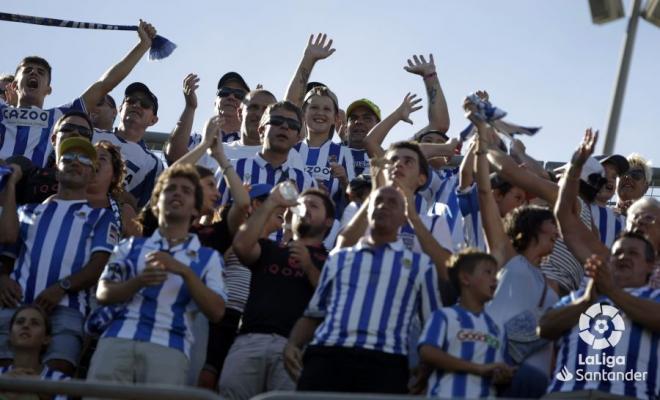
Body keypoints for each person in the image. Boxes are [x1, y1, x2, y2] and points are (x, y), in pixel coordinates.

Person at [284, 185, 443, 394]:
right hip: (327, 355)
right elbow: (314, 312)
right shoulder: (339, 258)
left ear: (404, 219)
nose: (383, 206)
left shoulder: (420, 265)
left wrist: (428, 367)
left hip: (386, 362)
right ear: (366, 212)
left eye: (392, 202)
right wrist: (293, 344)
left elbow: (431, 323)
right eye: (377, 201)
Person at [541, 129, 659, 399]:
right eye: (634, 218)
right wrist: (576, 167)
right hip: (569, 390)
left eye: (650, 219)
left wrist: (612, 292)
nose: (639, 221)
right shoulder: (607, 260)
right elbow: (565, 218)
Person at [87, 164, 226, 386]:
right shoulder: (129, 247)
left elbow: (217, 311)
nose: (177, 193)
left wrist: (184, 272)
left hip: (170, 348)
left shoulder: (209, 258)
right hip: (117, 341)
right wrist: (138, 282)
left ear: (195, 208)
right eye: (170, 189)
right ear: (156, 203)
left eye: (186, 190)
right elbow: (103, 292)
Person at [0, 137, 119, 376]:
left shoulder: (103, 217)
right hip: (16, 303)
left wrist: (62, 287)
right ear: (56, 170)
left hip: (68, 308)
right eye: (68, 158)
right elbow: (6, 242)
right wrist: (11, 184)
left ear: (91, 173)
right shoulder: (27, 211)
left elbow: (98, 266)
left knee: (58, 373)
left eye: (84, 159)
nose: (75, 162)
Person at [218, 184, 333, 400]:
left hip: (296, 348)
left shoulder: (331, 261)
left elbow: (331, 301)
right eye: (301, 205)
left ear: (329, 221)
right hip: (249, 339)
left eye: (314, 205)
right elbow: (242, 246)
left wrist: (309, 267)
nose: (305, 208)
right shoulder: (271, 248)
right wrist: (271, 202)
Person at [473, 116, 560, 397]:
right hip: (497, 367)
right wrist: (481, 147)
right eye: (550, 223)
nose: (557, 231)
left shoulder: (553, 285)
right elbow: (485, 194)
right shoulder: (505, 254)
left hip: (539, 381)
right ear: (532, 226)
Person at [1, 20, 157, 168]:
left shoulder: (61, 117)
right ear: (14, 85)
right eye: (27, 71)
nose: (34, 72)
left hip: (34, 192)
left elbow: (104, 84)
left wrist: (142, 46)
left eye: (40, 72)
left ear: (48, 89)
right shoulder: (2, 110)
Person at [418, 249, 514, 398]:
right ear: (465, 278)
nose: (495, 279)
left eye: (495, 274)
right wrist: (478, 368)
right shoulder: (444, 316)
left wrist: (503, 376)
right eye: (488, 272)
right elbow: (427, 352)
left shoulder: (498, 327)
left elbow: (502, 370)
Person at [214, 101, 315, 205]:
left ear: (297, 138)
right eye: (277, 121)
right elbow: (212, 216)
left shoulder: (306, 182)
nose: (285, 126)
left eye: (293, 124)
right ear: (261, 131)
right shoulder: (232, 169)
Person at [92, 82, 165, 208]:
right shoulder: (92, 134)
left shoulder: (153, 164)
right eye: (131, 101)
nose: (136, 105)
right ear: (120, 109)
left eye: (145, 104)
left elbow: (143, 211)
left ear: (153, 120)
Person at [0, 305, 69, 400]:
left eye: (34, 323)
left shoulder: (61, 380)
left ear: (46, 339)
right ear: (10, 335)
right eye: (20, 322)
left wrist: (40, 386)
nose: (25, 326)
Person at [87, 140, 140, 237]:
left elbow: (138, 249)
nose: (94, 162)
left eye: (102, 158)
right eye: (90, 158)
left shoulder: (124, 213)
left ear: (115, 176)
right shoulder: (59, 201)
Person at [345, 98, 381, 176]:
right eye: (353, 118)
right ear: (346, 127)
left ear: (379, 126)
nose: (359, 122)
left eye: (367, 118)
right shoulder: (331, 153)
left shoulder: (388, 157)